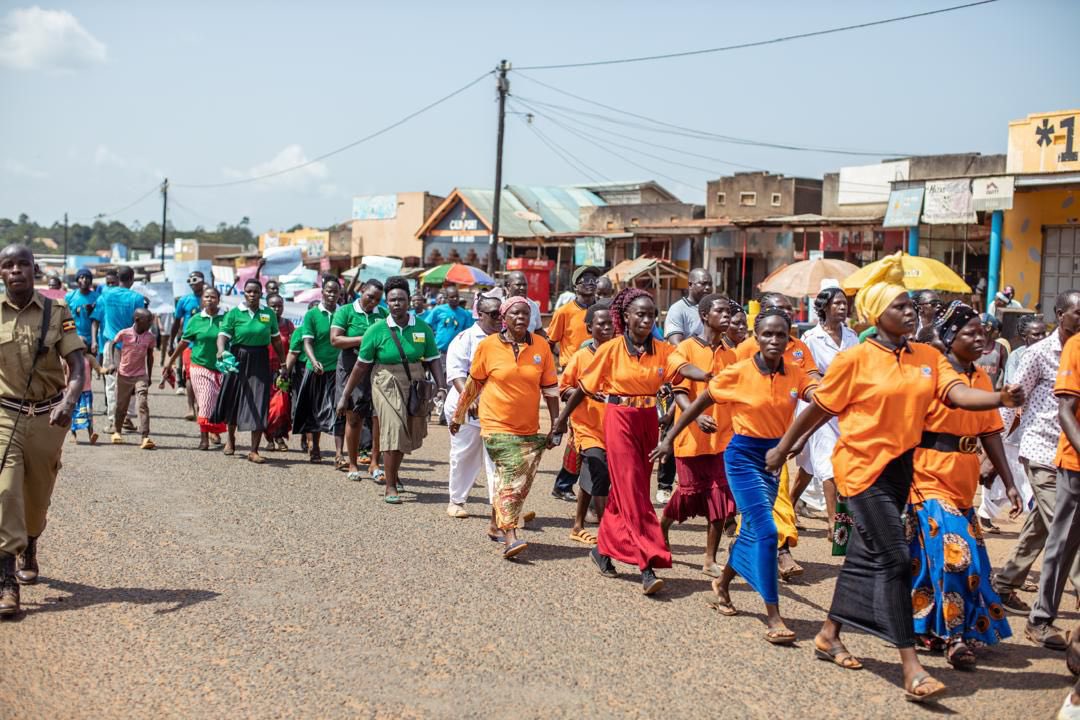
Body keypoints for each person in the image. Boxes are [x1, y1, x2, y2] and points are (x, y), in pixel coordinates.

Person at [764, 252, 1023, 703]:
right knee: (896, 560)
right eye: (900, 306)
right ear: (876, 314)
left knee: (866, 557)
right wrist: (784, 448)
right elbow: (819, 410)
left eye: (910, 306)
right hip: (861, 470)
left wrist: (998, 395)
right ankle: (911, 667)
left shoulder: (927, 356)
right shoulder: (856, 359)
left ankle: (828, 634)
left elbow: (957, 394)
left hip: (902, 468)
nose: (911, 312)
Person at [657, 306, 816, 643]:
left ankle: (722, 585)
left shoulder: (796, 373)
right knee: (768, 533)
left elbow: (820, 402)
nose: (774, 340)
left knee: (751, 533)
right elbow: (697, 405)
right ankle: (773, 616)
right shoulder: (738, 372)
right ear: (756, 338)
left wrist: (796, 441)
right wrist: (669, 439)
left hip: (774, 458)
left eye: (781, 335)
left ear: (789, 338)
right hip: (742, 457)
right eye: (767, 334)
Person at [554, 288, 706, 595]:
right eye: (641, 313)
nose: (647, 320)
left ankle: (603, 550)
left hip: (648, 421)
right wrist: (560, 419)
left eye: (652, 314)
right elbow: (583, 388)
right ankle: (646, 564)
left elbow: (682, 369)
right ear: (625, 316)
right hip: (619, 419)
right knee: (634, 492)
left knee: (626, 492)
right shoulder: (611, 349)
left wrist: (708, 375)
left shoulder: (662, 350)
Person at [908, 302, 1022, 668]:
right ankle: (955, 637)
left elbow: (990, 433)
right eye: (969, 332)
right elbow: (951, 401)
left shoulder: (982, 378)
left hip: (963, 481)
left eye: (982, 331)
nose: (980, 337)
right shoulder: (935, 373)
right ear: (949, 338)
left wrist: (1009, 482)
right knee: (959, 556)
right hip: (927, 477)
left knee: (932, 562)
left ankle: (923, 626)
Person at [0, 245, 86, 616]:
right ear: (1, 273)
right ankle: (5, 579)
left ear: (34, 269)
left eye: (22, 264)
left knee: (36, 495)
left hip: (49, 416)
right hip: (4, 415)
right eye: (8, 265)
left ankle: (30, 541)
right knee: (6, 489)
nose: (16, 270)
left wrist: (70, 401)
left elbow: (77, 365)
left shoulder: (57, 312)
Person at [450, 295, 559, 558]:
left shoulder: (541, 347)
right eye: (515, 314)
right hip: (494, 423)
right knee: (511, 476)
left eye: (526, 314)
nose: (521, 318)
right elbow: (473, 384)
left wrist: (557, 423)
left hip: (528, 426)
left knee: (515, 478)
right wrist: (458, 415)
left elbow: (551, 389)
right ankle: (510, 533)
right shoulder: (488, 346)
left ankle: (494, 524)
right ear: (504, 318)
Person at [993, 290, 1080, 617]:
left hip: (1070, 456)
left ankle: (1004, 583)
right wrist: (995, 450)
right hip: (1041, 450)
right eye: (1078, 313)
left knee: (1044, 525)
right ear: (1061, 314)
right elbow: (1010, 400)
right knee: (1068, 526)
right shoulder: (1038, 354)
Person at [735, 292, 820, 580]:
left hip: (779, 438)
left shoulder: (798, 349)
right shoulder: (746, 348)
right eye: (777, 309)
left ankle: (776, 549)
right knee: (762, 501)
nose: (785, 314)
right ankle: (772, 552)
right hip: (746, 439)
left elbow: (812, 380)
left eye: (788, 310)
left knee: (777, 493)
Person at [339, 276, 444, 504]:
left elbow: (434, 359)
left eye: (401, 299)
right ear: (387, 303)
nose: (397, 303)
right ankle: (390, 485)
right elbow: (360, 366)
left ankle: (393, 472)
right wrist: (346, 394)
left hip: (415, 381)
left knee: (407, 429)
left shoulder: (422, 328)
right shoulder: (376, 330)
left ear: (409, 301)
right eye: (392, 300)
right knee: (393, 429)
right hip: (385, 380)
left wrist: (441, 386)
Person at [658, 294, 737, 578]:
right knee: (688, 496)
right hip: (690, 437)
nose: (727, 315)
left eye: (729, 311)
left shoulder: (731, 353)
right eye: (721, 311)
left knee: (719, 497)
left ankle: (709, 559)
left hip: (723, 439)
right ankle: (663, 525)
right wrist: (697, 413)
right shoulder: (685, 348)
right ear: (705, 316)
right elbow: (679, 386)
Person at [1027, 319, 1080, 650]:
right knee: (1062, 544)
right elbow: (1066, 411)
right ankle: (1041, 618)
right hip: (1075, 465)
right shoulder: (1076, 346)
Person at [796, 287, 858, 523]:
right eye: (837, 303)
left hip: (845, 407)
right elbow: (804, 371)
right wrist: (828, 386)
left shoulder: (852, 337)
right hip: (819, 406)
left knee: (809, 467)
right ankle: (835, 522)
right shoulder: (810, 339)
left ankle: (789, 505)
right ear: (824, 307)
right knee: (829, 461)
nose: (843, 307)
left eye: (845, 303)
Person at [980, 314, 1047, 526]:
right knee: (1002, 471)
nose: (1041, 337)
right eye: (1036, 334)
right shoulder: (1018, 357)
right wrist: (1002, 429)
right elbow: (1012, 391)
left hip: (1037, 427)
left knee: (1024, 476)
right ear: (1024, 336)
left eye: (1043, 333)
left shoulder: (1053, 354)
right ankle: (986, 510)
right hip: (1013, 426)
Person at [213, 278, 286, 464]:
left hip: (260, 359)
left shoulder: (268, 314)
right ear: (244, 293)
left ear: (261, 294)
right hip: (238, 358)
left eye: (256, 292)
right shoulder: (234, 314)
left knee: (260, 401)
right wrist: (221, 350)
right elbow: (222, 336)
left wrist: (283, 363)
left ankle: (254, 450)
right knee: (234, 398)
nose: (252, 294)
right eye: (249, 291)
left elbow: (276, 340)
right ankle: (230, 440)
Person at [561, 301, 615, 544]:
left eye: (610, 323)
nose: (607, 328)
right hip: (586, 425)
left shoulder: (619, 353)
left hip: (614, 426)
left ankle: (578, 524)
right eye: (601, 324)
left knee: (597, 475)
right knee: (597, 468)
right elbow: (564, 389)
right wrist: (585, 393)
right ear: (589, 328)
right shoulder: (581, 356)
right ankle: (605, 531)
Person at [444, 294, 502, 518]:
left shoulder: (505, 339)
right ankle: (456, 501)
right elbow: (457, 374)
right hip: (468, 404)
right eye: (494, 315)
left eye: (502, 314)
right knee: (464, 453)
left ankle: (500, 507)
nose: (500, 319)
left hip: (496, 406)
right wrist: (470, 398)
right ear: (481, 315)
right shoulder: (466, 338)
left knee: (497, 456)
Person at [548, 266, 600, 501]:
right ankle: (564, 483)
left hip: (601, 377)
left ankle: (581, 484)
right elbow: (551, 342)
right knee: (577, 433)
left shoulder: (602, 310)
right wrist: (556, 371)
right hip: (574, 376)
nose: (590, 283)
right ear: (575, 285)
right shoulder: (564, 312)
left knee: (594, 432)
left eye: (594, 279)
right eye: (585, 279)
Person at [331, 279, 387, 481]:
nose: (373, 302)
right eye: (370, 296)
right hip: (351, 365)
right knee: (353, 417)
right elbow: (336, 340)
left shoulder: (382, 314)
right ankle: (353, 464)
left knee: (378, 418)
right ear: (362, 290)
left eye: (378, 299)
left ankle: (375, 464)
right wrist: (366, 338)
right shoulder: (345, 311)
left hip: (377, 368)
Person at [163, 287, 227, 451]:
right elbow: (184, 343)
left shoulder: (227, 319)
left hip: (221, 368)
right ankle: (204, 438)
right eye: (206, 297)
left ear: (218, 300)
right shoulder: (196, 320)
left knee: (216, 402)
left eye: (213, 297)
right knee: (205, 400)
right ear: (201, 301)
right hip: (199, 365)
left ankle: (214, 431)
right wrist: (169, 362)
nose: (210, 299)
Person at [89, 265, 147, 432]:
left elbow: (96, 318)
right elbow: (140, 323)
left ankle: (114, 420)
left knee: (112, 383)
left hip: (112, 344)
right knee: (131, 381)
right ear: (131, 279)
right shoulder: (137, 298)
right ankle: (126, 417)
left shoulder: (105, 295)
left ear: (118, 278)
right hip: (132, 345)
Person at [293, 277, 343, 465]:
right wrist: (313, 361)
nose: (331, 295)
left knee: (339, 409)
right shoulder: (312, 315)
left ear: (340, 294)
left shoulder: (343, 313)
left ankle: (339, 454)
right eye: (328, 291)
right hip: (316, 368)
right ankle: (314, 446)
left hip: (338, 369)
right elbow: (307, 342)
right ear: (322, 293)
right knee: (314, 409)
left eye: (335, 291)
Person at [105, 308, 157, 449]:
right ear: (137, 320)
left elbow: (150, 356)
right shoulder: (125, 333)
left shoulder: (150, 337)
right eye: (148, 321)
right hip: (124, 375)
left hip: (141, 375)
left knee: (143, 404)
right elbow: (112, 344)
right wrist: (112, 363)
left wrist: (149, 376)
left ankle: (145, 436)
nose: (151, 323)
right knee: (121, 406)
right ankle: (117, 431)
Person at [168, 271, 207, 420]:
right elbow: (176, 323)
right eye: (189, 280)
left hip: (206, 344)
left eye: (195, 279)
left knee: (204, 376)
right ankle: (191, 408)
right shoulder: (184, 301)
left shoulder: (209, 298)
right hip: (189, 344)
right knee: (190, 376)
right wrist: (172, 342)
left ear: (203, 281)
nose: (192, 283)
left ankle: (202, 406)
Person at [264, 293, 294, 451]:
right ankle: (269, 437)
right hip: (263, 371)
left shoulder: (289, 325)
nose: (276, 309)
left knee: (281, 406)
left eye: (279, 306)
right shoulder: (262, 324)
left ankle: (279, 436)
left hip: (282, 371)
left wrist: (287, 368)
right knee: (266, 406)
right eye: (273, 306)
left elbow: (294, 348)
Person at [663, 268, 713, 344]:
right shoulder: (678, 309)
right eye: (703, 284)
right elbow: (676, 343)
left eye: (710, 284)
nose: (708, 288)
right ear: (690, 285)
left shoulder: (713, 310)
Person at [68, 352, 104, 445]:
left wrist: (107, 370)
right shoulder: (69, 357)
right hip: (74, 391)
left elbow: (99, 368)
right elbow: (64, 372)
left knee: (89, 413)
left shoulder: (89, 358)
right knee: (73, 413)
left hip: (86, 391)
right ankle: (73, 435)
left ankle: (91, 435)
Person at [506, 270, 546, 336]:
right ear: (508, 286)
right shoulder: (500, 304)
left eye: (524, 285)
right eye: (518, 285)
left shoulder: (533, 306)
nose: (522, 288)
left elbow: (538, 330)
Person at [65, 268, 97, 348]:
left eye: (87, 278)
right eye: (81, 277)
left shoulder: (97, 297)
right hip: (75, 337)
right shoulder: (70, 296)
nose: (84, 280)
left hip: (92, 339)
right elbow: (65, 318)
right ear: (77, 280)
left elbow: (97, 320)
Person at [975, 313, 1009, 390]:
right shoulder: (971, 347)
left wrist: (1000, 382)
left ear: (988, 327)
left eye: (978, 324)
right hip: (972, 395)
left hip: (990, 395)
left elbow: (1007, 371)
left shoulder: (1000, 349)